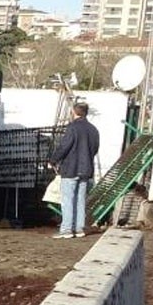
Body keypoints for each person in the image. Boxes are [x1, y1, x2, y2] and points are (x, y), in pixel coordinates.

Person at [49, 101, 100, 239]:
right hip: (86, 169)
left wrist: (53, 160)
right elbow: (94, 149)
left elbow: (64, 146)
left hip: (71, 168)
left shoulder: (72, 128)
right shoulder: (93, 129)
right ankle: (79, 228)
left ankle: (66, 229)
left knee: (68, 199)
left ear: (74, 111)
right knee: (80, 200)